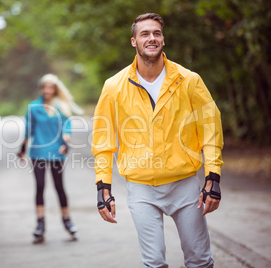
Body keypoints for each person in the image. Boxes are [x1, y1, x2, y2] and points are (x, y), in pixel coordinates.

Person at [92, 13, 223, 268]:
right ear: (134, 41)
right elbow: (103, 140)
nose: (151, 38)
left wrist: (213, 177)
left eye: (156, 33)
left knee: (200, 260)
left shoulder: (189, 80)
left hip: (184, 185)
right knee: (153, 263)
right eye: (145, 34)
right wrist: (102, 186)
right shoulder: (113, 86)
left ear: (163, 39)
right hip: (140, 188)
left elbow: (211, 129)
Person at [18, 73, 83, 244]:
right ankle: (40, 225)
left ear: (55, 89)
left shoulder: (61, 106)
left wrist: (66, 145)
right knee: (40, 186)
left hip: (56, 152)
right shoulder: (33, 107)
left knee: (59, 187)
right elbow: (28, 130)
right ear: (41, 89)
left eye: (50, 87)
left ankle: (67, 221)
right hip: (38, 152)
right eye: (44, 87)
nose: (47, 90)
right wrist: (22, 149)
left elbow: (67, 128)